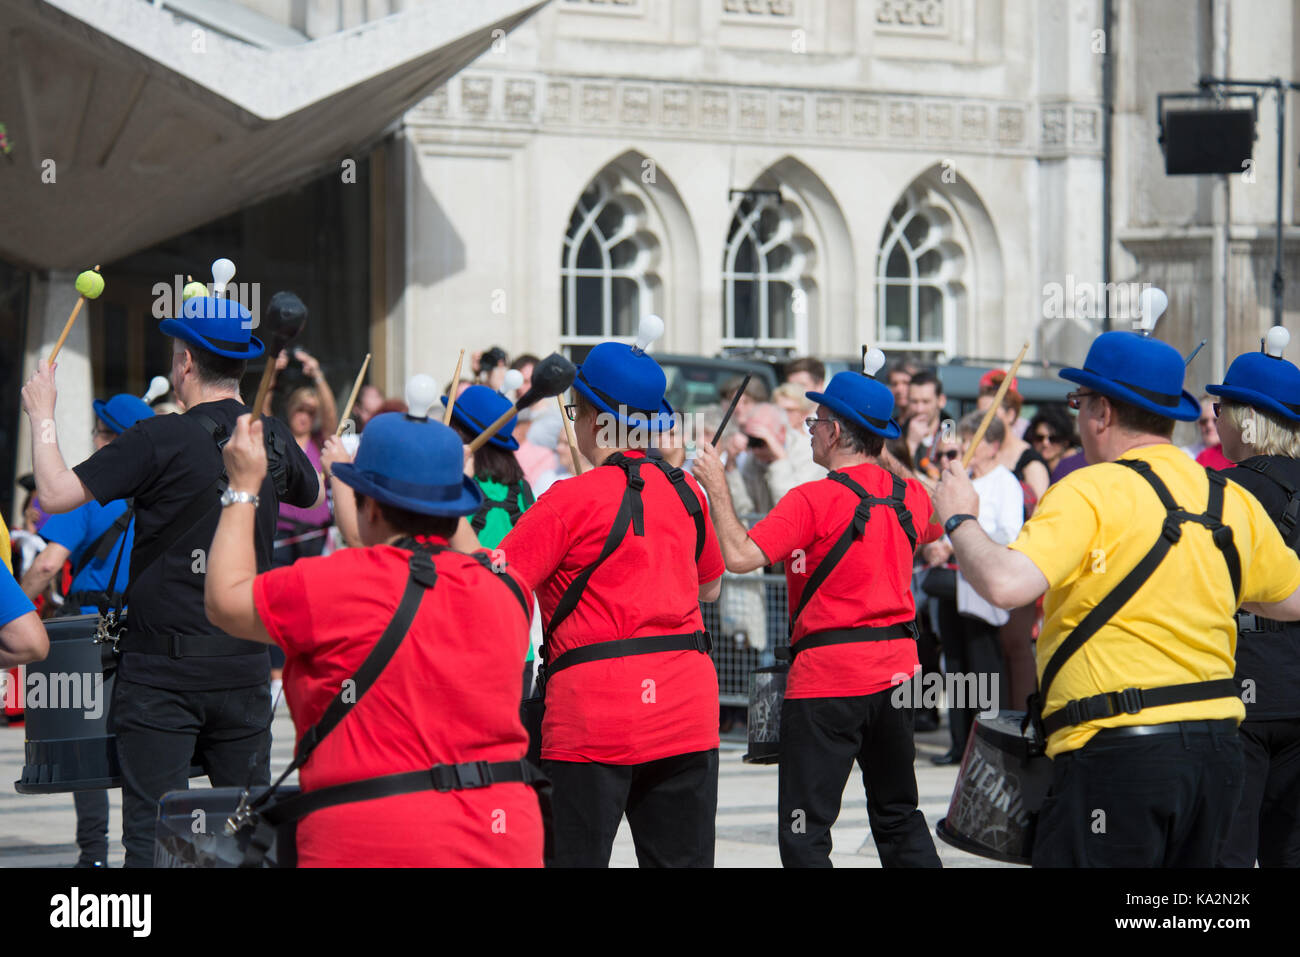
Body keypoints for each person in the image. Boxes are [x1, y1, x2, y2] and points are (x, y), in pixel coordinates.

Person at [932, 323, 1300, 867]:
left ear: (1102, 411)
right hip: (1216, 751)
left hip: (1116, 749)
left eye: (1078, 402)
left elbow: (1005, 585)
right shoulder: (1225, 497)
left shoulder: (1088, 490)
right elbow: (1290, 602)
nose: (1077, 415)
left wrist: (959, 516)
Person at [21, 292, 321, 868]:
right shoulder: (270, 436)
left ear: (185, 361)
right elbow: (312, 492)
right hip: (244, 669)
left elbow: (56, 493)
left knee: (151, 844)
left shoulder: (157, 438)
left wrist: (42, 415)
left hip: (161, 678)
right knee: (248, 844)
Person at [204, 409, 543, 867]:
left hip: (370, 841)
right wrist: (445, 484)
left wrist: (242, 486)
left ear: (372, 506)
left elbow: (225, 601)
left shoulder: (334, 583)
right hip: (504, 836)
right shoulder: (509, 592)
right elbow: (475, 554)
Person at [693, 364, 945, 868]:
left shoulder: (812, 498)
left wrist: (715, 486)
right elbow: (934, 521)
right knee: (898, 814)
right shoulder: (908, 497)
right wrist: (881, 449)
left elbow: (741, 555)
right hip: (897, 674)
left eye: (815, 421)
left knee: (806, 827)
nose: (810, 429)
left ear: (833, 431)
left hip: (827, 679)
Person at [500, 326, 724, 868]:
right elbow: (710, 585)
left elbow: (495, 585)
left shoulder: (565, 500)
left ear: (592, 418)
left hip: (592, 714)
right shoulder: (687, 491)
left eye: (574, 410)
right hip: (687, 708)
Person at [18, 392, 153, 868]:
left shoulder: (89, 491)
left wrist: (15, 599)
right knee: (145, 745)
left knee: (82, 745)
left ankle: (93, 857)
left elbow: (49, 563)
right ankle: (148, 851)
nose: (93, 440)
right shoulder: (164, 491)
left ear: (111, 440)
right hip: (147, 627)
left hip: (86, 630)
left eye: (98, 432)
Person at [1205, 330, 1300, 867]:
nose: (1214, 418)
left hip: (1240, 691)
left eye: (1220, 407)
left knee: (1226, 857)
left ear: (1245, 418)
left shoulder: (1221, 494)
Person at [922, 414, 1022, 765]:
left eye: (974, 441)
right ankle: (960, 742)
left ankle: (988, 745)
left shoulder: (1005, 482)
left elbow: (1010, 533)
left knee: (984, 667)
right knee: (957, 664)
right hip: (953, 585)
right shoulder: (965, 480)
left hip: (981, 585)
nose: (966, 450)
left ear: (992, 446)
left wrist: (964, 537)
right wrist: (937, 545)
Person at [905, 369, 947, 478]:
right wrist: (911, 444)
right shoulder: (897, 434)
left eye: (926, 401)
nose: (920, 409)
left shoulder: (952, 433)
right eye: (914, 401)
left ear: (941, 401)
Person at [1025, 405, 1079, 481]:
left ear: (1066, 442)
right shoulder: (1026, 470)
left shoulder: (1075, 471)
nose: (1045, 443)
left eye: (1053, 439)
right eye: (1039, 438)